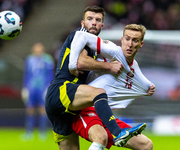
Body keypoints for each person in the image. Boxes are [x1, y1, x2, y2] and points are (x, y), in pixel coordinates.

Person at [45, 6, 146, 150]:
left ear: (102, 25)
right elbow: (80, 63)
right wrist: (110, 66)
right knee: (98, 93)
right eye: (90, 19)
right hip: (61, 90)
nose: (93, 23)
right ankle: (118, 132)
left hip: (68, 106)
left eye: (98, 20)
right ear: (82, 23)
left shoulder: (94, 47)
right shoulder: (79, 36)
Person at [69, 24, 155, 149]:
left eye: (135, 40)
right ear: (122, 40)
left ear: (141, 44)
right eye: (127, 39)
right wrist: (72, 65)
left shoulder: (134, 65)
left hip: (105, 114)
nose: (130, 44)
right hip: (85, 108)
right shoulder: (113, 51)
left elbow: (143, 81)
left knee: (146, 145)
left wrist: (149, 87)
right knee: (100, 138)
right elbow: (81, 36)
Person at [21, 42, 54, 141]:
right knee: (30, 109)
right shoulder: (29, 59)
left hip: (42, 87)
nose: (37, 49)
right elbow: (27, 74)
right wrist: (25, 87)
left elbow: (50, 75)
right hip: (31, 87)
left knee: (42, 109)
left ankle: (42, 132)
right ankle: (28, 132)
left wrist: (48, 87)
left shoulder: (47, 60)